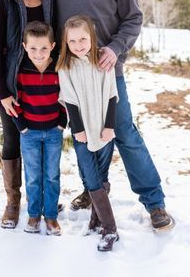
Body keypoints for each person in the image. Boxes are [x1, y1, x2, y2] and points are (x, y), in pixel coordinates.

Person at [46, 0, 175, 232]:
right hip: (72, 75)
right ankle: (96, 191)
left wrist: (115, 48)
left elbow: (133, 18)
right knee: (86, 135)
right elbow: (43, 23)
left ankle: (154, 202)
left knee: (125, 134)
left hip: (107, 72)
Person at [0, 0, 54, 229]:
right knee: (14, 139)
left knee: (42, 142)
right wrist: (2, 92)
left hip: (45, 83)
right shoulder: (4, 0)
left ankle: (40, 201)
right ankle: (13, 202)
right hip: (13, 85)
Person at [57, 14, 119, 252]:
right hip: (82, 132)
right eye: (72, 41)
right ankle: (110, 228)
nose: (78, 45)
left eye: (82, 39)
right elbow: (70, 100)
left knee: (101, 175)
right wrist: (79, 130)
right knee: (90, 176)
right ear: (66, 43)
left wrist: (109, 126)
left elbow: (112, 94)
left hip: (104, 128)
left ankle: (97, 221)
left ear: (91, 37)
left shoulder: (102, 61)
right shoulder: (66, 66)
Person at [13, 21, 66, 236]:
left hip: (54, 130)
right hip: (30, 133)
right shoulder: (21, 70)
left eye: (44, 48)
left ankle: (51, 216)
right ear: (25, 46)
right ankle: (34, 214)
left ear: (52, 46)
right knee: (33, 175)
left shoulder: (59, 69)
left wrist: (63, 123)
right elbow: (15, 101)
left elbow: (66, 98)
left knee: (52, 175)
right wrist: (22, 126)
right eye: (33, 48)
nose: (38, 53)